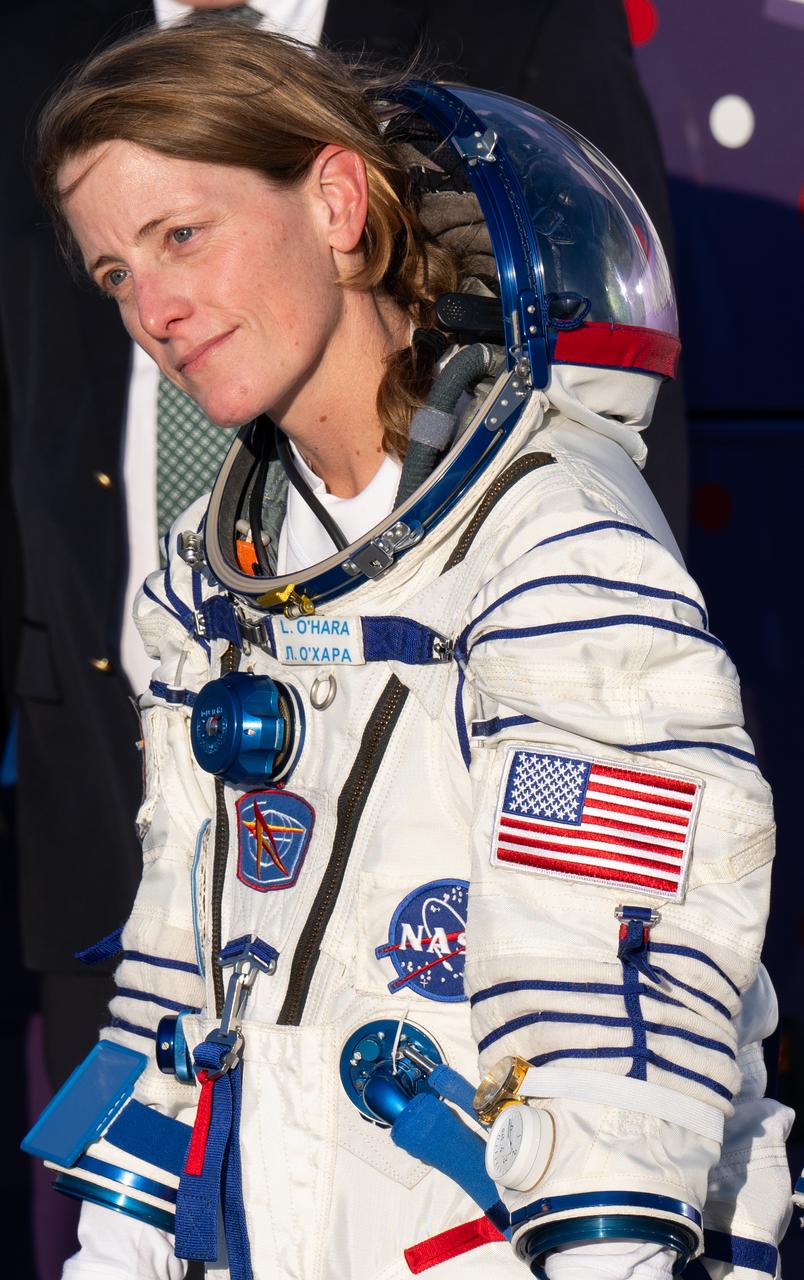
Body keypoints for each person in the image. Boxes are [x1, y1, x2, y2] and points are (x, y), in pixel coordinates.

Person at [24, 22, 789, 1280]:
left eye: (183, 235)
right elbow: (176, 977)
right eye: (115, 273)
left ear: (333, 199)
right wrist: (114, 1252)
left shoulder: (551, 544)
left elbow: (618, 1020)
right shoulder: (200, 580)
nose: (153, 311)